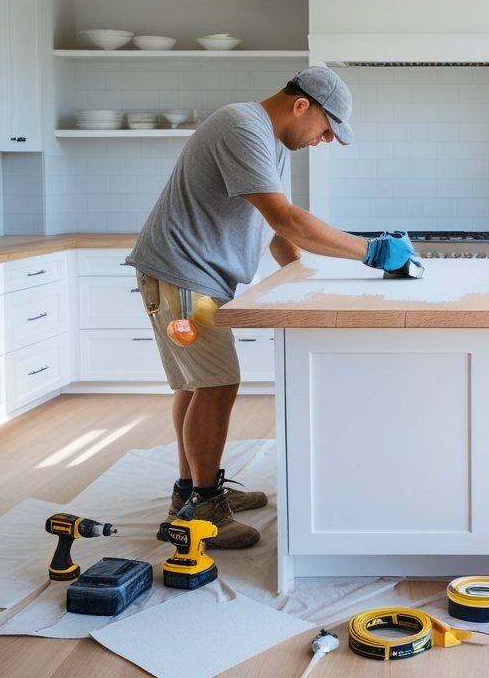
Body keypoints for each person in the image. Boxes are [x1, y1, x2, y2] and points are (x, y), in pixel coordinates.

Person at [126, 66, 417, 548]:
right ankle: (206, 510)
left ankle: (191, 494)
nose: (325, 139)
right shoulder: (241, 127)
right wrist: (369, 250)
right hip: (181, 278)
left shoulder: (266, 140)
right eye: (326, 128)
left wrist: (298, 274)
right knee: (217, 385)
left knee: (199, 385)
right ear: (301, 105)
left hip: (190, 275)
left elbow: (275, 229)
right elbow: (288, 218)